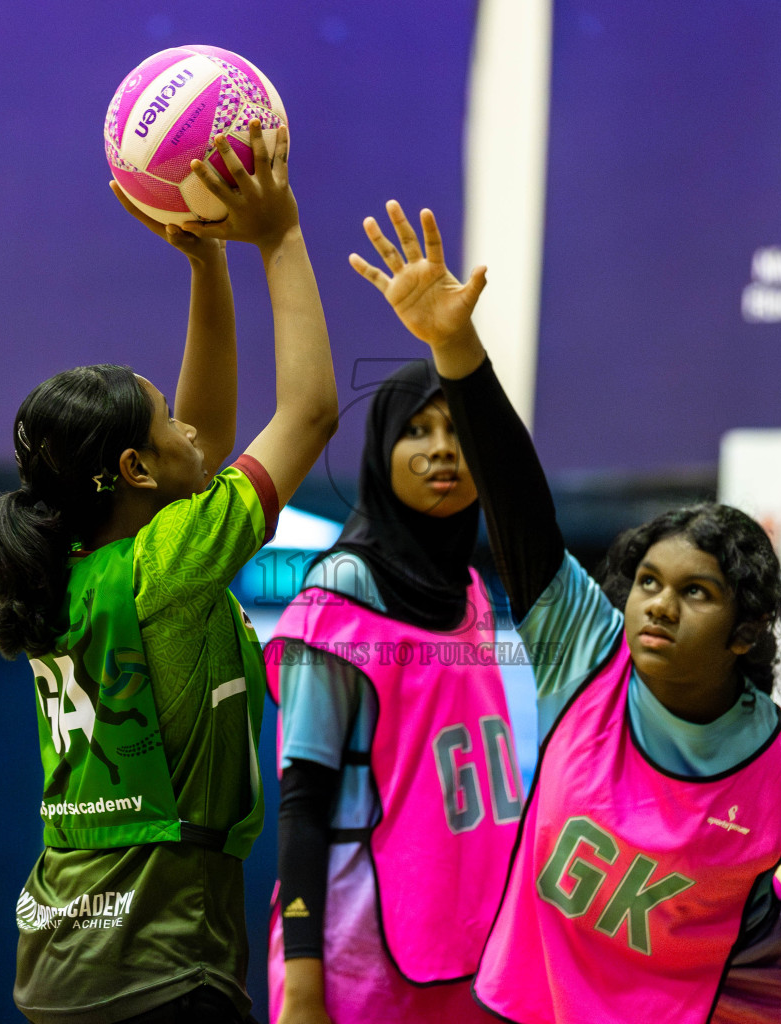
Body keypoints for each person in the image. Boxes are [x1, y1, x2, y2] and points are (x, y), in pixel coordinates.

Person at [347, 200, 781, 1024]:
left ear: (743, 632)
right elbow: (520, 503)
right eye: (649, 583)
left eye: (693, 592)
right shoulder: (584, 651)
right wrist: (454, 345)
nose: (657, 606)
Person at [0, 122, 338, 1024]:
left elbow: (205, 441)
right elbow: (311, 413)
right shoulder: (171, 562)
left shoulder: (73, 564)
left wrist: (204, 264)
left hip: (67, 954)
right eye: (167, 421)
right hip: (156, 964)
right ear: (137, 472)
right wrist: (278, 235)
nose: (195, 434)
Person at [263, 359, 520, 1024]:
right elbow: (302, 805)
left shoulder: (470, 591)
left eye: (457, 430)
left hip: (474, 955)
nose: (441, 448)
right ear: (382, 452)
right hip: (358, 959)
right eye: (416, 430)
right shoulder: (337, 597)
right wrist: (302, 986)